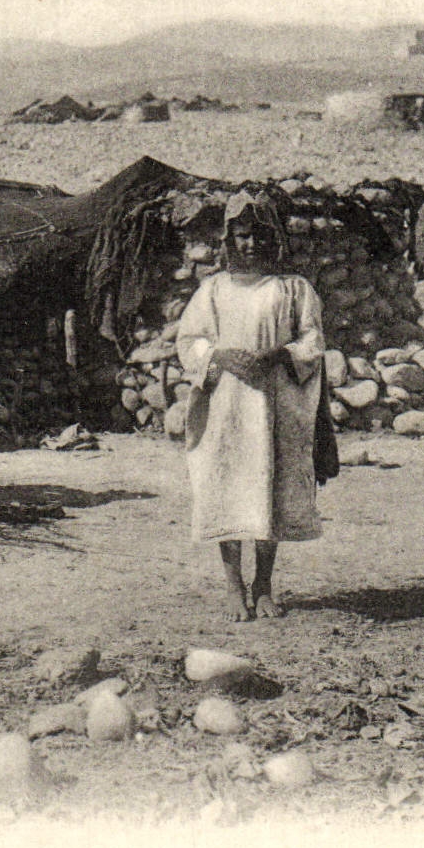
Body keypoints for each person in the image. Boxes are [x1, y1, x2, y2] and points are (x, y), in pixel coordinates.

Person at [176, 192, 325, 622]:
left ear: (273, 239)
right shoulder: (213, 291)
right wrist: (218, 356)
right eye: (242, 236)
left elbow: (313, 342)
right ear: (228, 240)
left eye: (259, 236)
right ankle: (232, 585)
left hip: (274, 402)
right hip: (226, 404)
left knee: (268, 488)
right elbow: (190, 341)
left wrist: (281, 353)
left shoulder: (293, 290)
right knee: (228, 484)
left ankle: (262, 585)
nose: (250, 245)